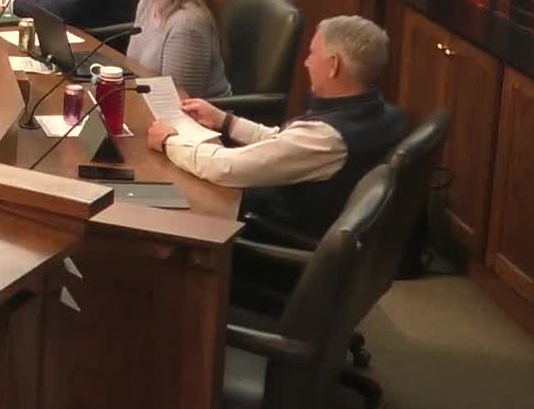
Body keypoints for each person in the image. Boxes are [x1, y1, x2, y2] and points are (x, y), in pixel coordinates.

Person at [148, 15, 406, 242]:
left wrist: (168, 141)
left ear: (333, 65)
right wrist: (226, 121)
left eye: (312, 54)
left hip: (267, 231)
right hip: (301, 218)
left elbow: (225, 167)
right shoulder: (385, 115)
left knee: (167, 208)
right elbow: (286, 142)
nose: (306, 63)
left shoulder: (327, 138)